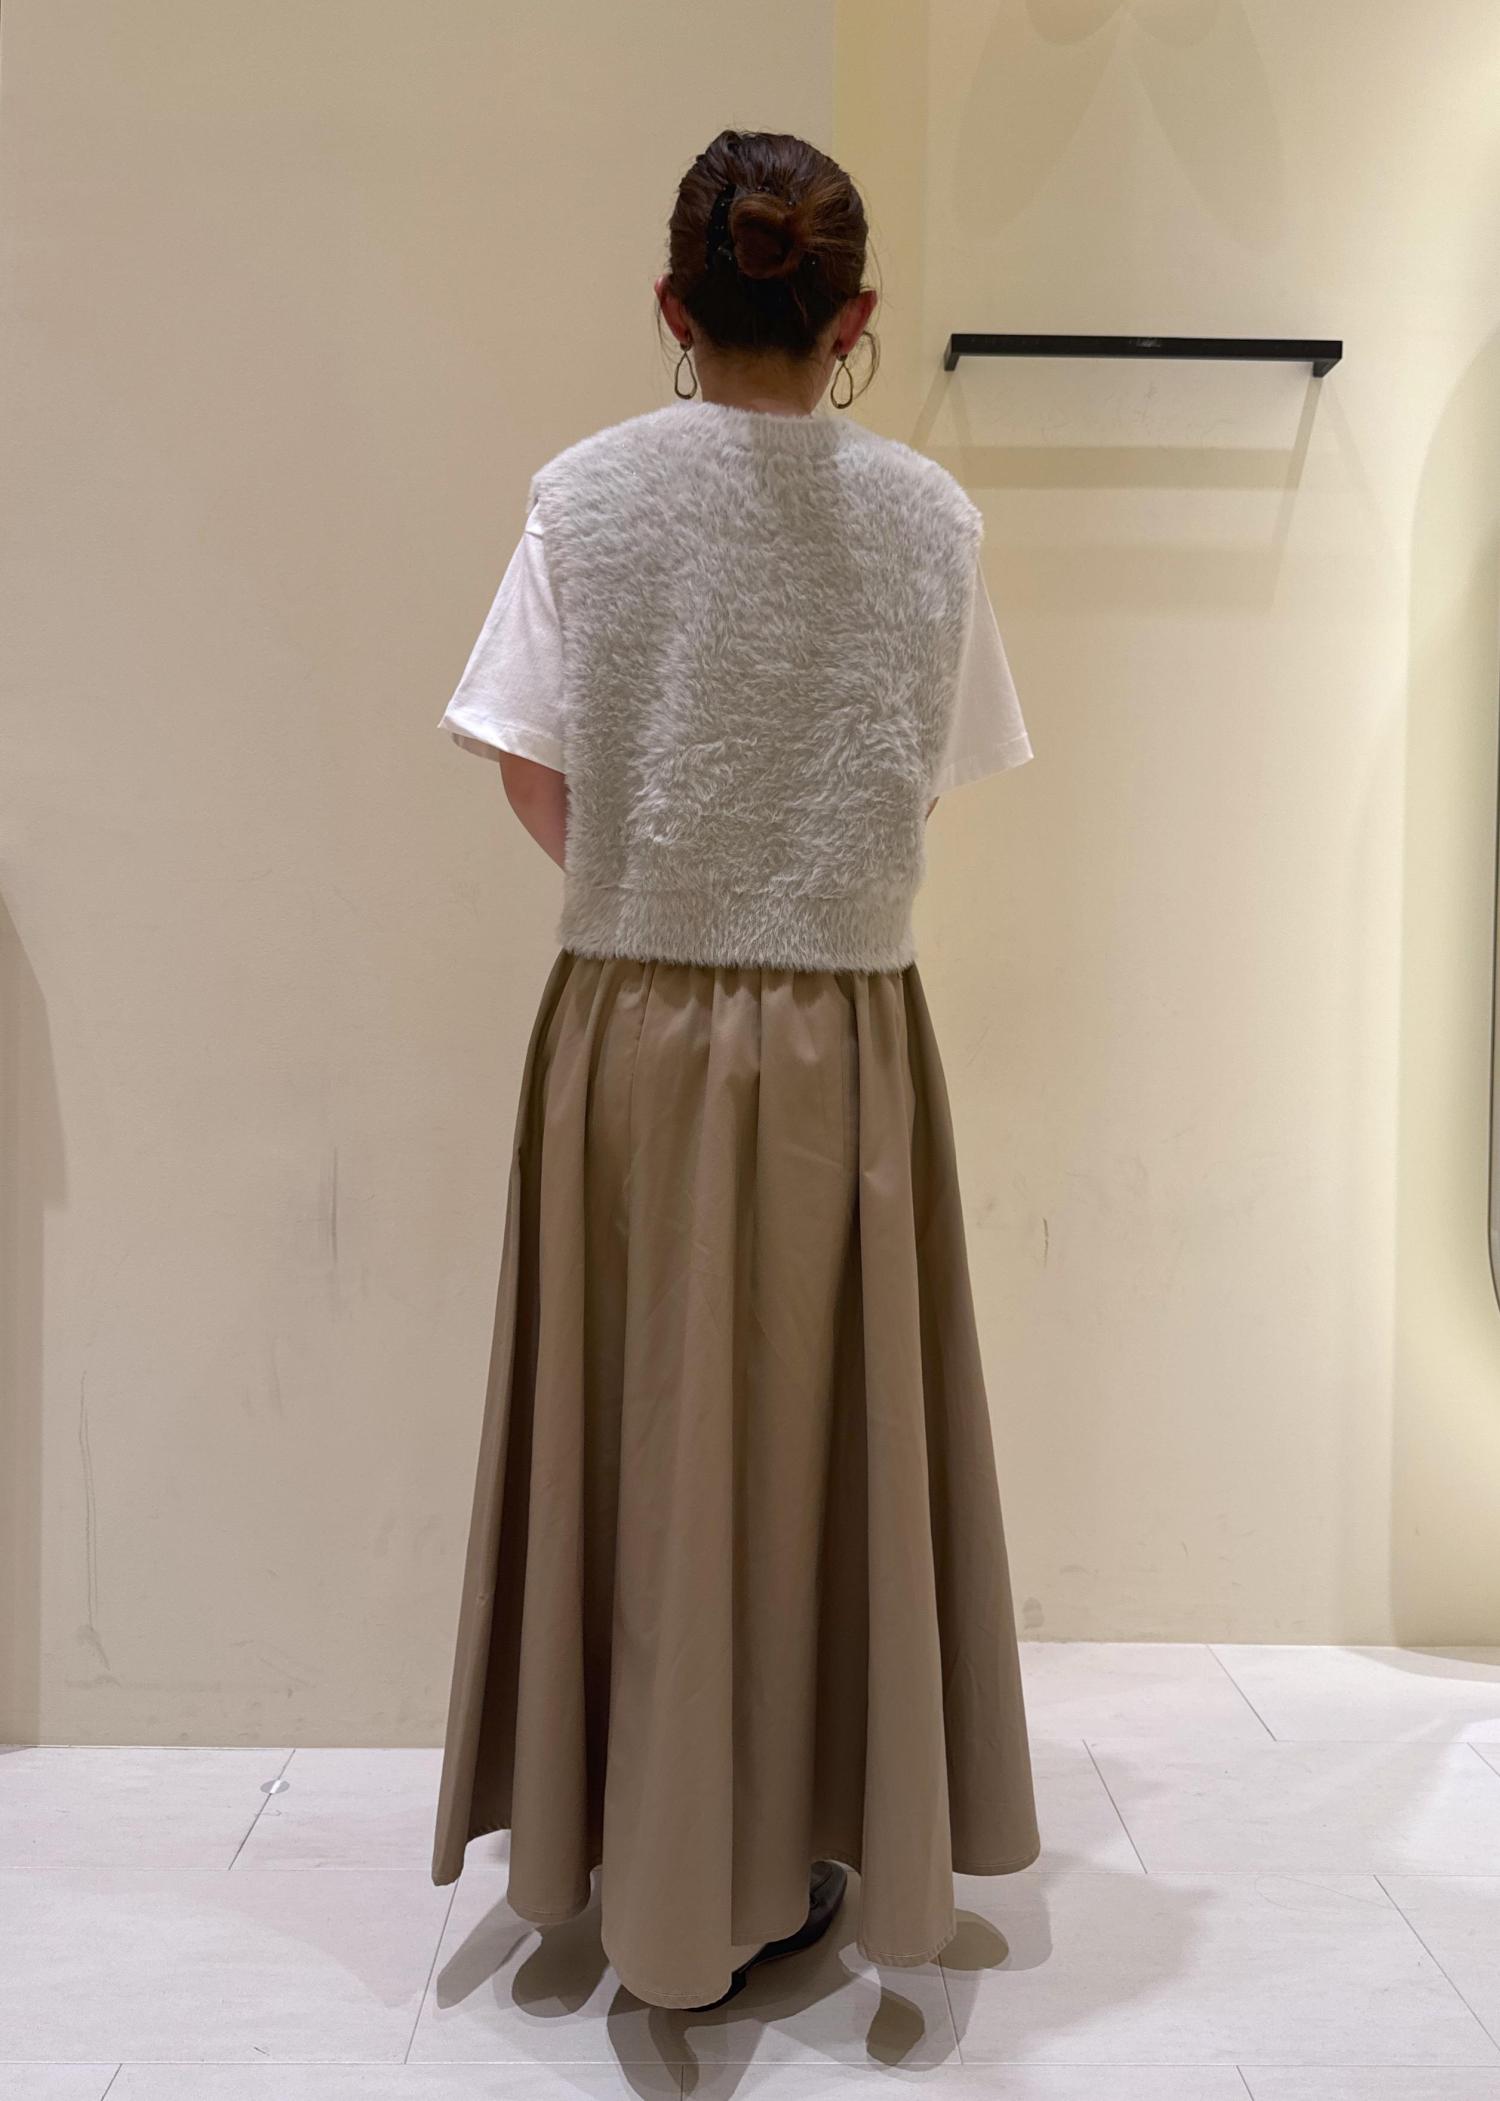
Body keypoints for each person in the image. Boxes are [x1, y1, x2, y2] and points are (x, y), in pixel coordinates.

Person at [429, 126, 1041, 2016]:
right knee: (820, 1447)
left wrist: (649, 875)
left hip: (628, 1031)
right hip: (846, 1039)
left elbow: (527, 756)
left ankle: (638, 1834)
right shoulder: (931, 522)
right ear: (855, 320)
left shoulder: (584, 500)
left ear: (672, 305)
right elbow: (926, 773)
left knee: (643, 1434)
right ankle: (809, 1819)